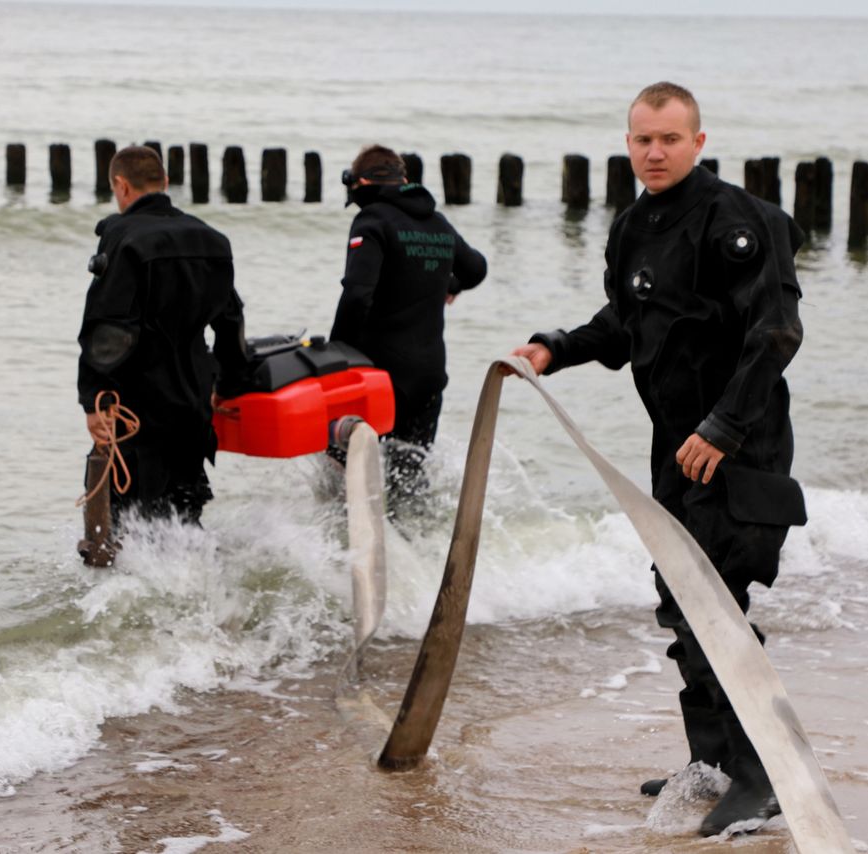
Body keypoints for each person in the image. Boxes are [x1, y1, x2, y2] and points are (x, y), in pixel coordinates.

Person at [510, 82, 807, 836]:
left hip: (740, 449)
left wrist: (723, 429)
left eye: (669, 139)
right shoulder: (636, 226)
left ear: (698, 141)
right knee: (682, 606)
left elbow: (775, 334)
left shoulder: (742, 221)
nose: (653, 152)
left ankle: (761, 776)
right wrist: (557, 348)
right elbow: (625, 322)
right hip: (675, 455)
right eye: (642, 138)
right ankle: (710, 763)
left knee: (719, 611)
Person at [77, 144, 249, 528]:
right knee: (184, 516)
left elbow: (109, 327)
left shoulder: (123, 237)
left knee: (125, 522)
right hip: (193, 404)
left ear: (121, 185)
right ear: (166, 183)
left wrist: (93, 399)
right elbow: (231, 322)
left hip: (137, 409)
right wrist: (230, 383)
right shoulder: (213, 240)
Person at [330, 144, 487, 507]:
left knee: (347, 479)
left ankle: (346, 557)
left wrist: (336, 354)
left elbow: (356, 296)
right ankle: (419, 554)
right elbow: (476, 268)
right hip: (428, 378)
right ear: (404, 180)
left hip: (379, 377)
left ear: (361, 183)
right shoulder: (437, 223)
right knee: (409, 487)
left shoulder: (371, 220)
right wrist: (451, 284)